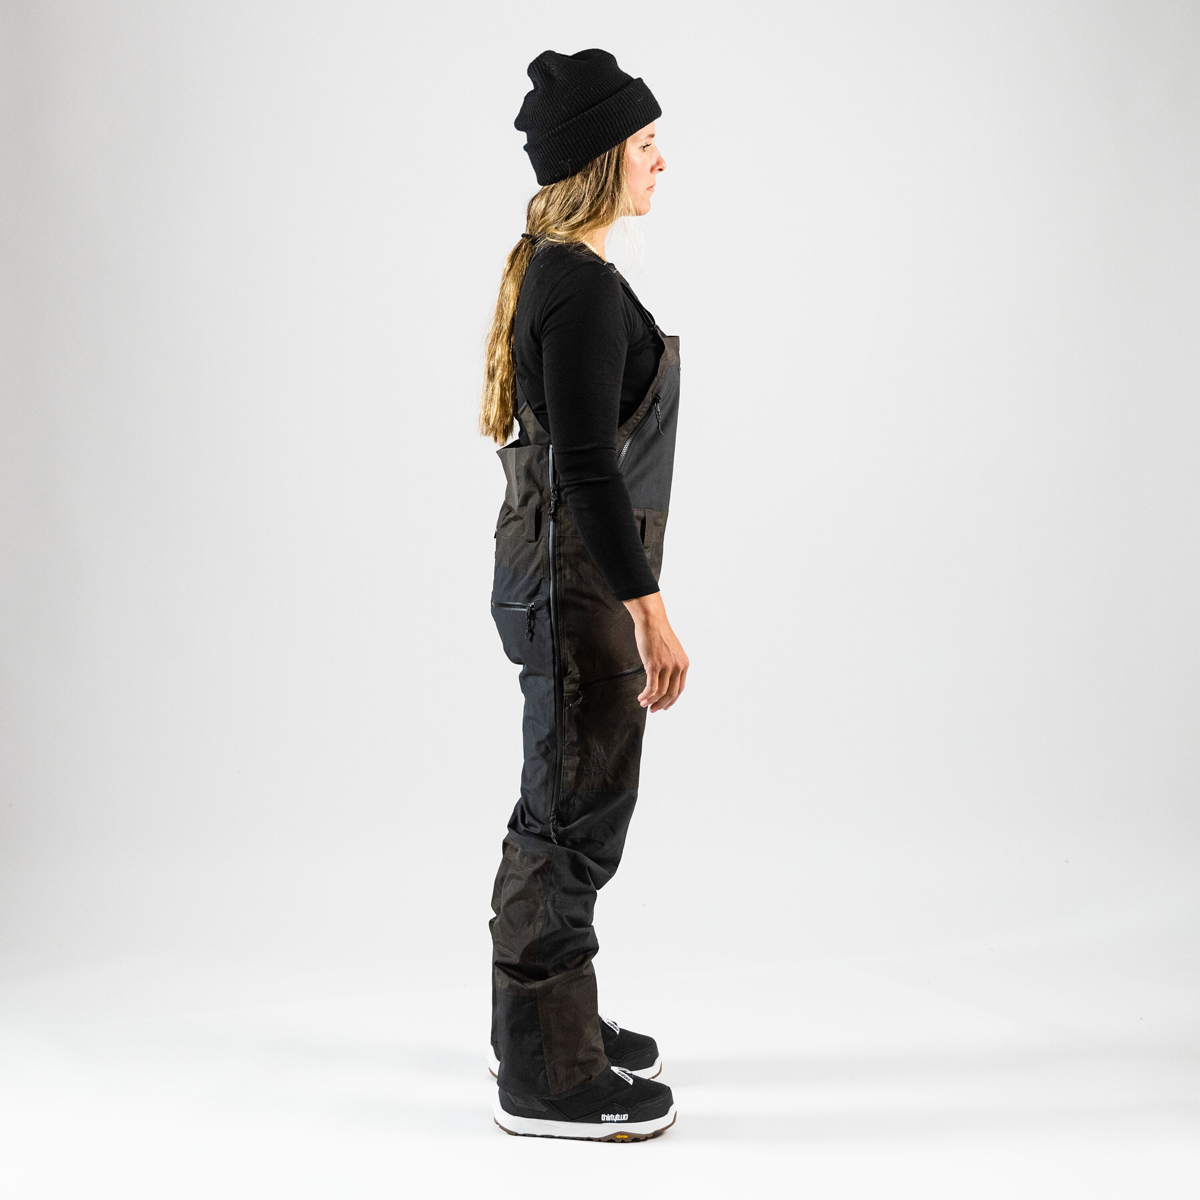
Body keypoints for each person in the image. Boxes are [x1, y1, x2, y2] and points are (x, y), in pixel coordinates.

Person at [478, 48, 689, 1142]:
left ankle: (553, 1026)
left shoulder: (555, 272)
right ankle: (548, 1076)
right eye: (646, 144)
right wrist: (650, 609)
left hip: (558, 574)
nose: (662, 162)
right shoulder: (583, 287)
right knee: (572, 817)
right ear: (604, 159)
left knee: (561, 803)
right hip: (578, 586)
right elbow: (590, 469)